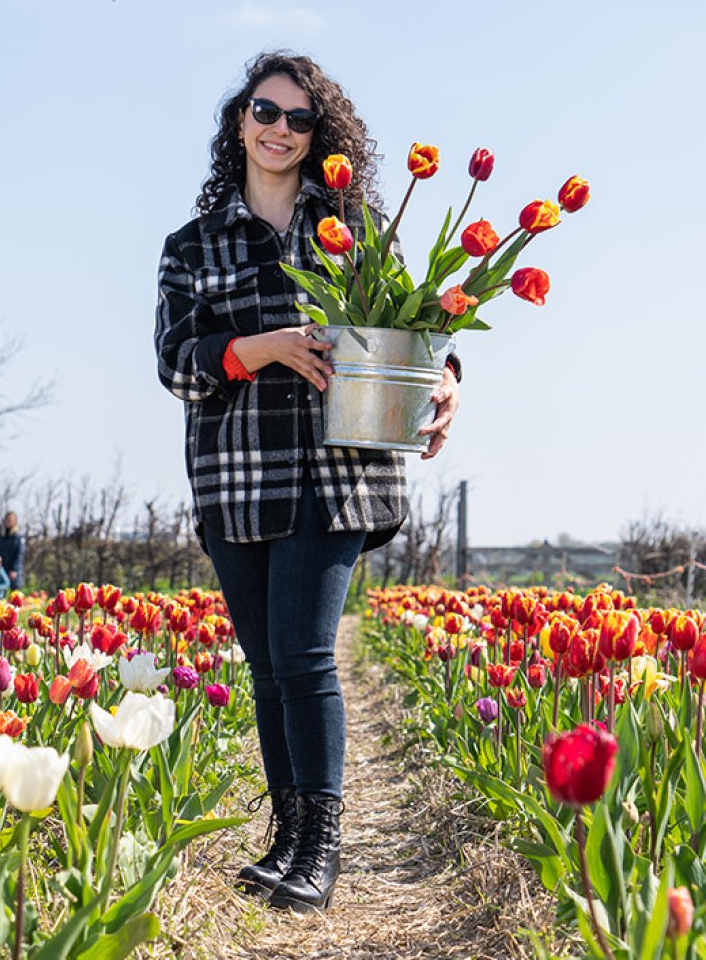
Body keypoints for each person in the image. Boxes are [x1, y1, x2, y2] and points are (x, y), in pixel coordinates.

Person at [153, 52, 460, 914]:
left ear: (320, 136)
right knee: (263, 666)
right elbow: (178, 364)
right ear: (239, 121)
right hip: (237, 476)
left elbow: (418, 329)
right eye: (265, 111)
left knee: (305, 655)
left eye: (298, 118)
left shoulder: (354, 232)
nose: (279, 129)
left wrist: (449, 380)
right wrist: (264, 348)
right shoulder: (193, 246)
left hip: (338, 475)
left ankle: (322, 847)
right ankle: (286, 836)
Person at [0, 511, 25, 590]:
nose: (8, 521)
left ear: (14, 521)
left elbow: (19, 554)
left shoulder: (18, 536)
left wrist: (14, 569)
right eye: (7, 519)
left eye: (10, 520)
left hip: (12, 567)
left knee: (14, 589)